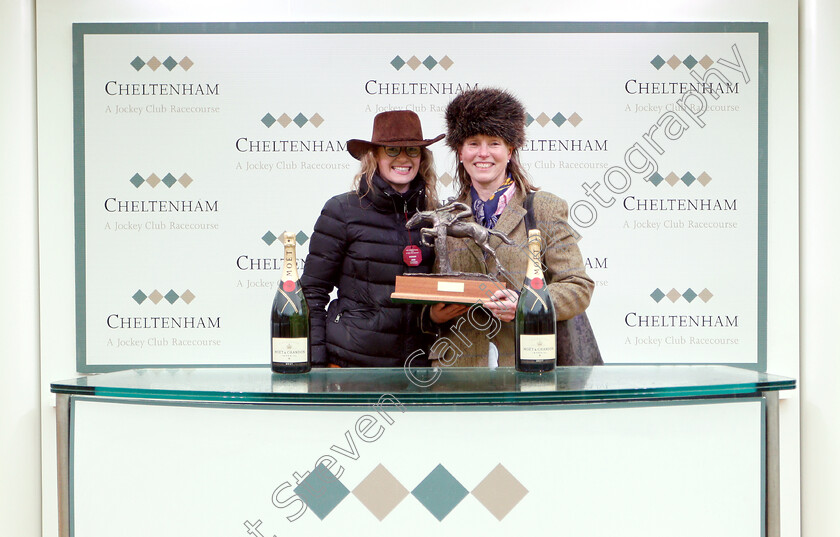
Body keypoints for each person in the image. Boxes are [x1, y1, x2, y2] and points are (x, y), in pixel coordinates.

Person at [428, 87, 594, 367]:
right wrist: (433, 315)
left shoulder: (544, 208)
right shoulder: (444, 216)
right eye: (473, 143)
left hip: (525, 368)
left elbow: (578, 287)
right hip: (454, 375)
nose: (483, 153)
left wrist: (525, 304)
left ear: (510, 150)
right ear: (460, 152)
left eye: (494, 143)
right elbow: (430, 293)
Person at [301, 110, 444, 367]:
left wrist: (435, 316)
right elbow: (312, 292)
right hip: (350, 364)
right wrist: (318, 366)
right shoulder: (342, 210)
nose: (403, 158)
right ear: (374, 155)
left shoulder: (434, 216)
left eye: (412, 150)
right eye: (391, 150)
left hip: (415, 368)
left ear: (422, 158)